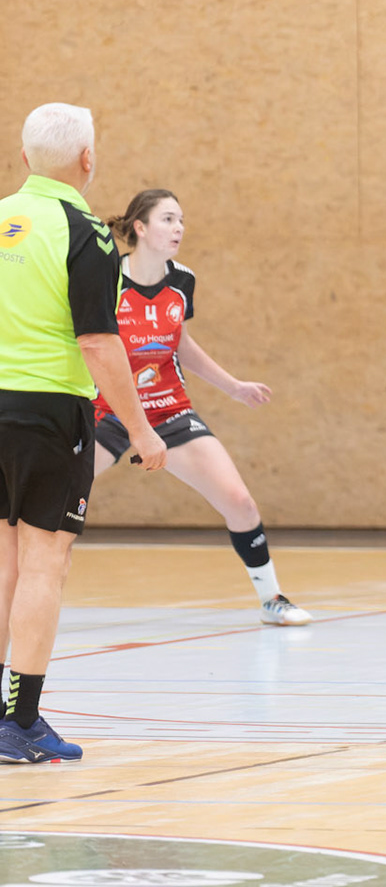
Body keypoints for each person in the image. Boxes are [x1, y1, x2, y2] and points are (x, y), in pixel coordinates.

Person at [0, 104, 165, 763]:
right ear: (87, 161)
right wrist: (142, 430)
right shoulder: (86, 232)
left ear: (23, 160)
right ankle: (21, 721)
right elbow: (98, 342)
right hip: (47, 412)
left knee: (5, 559)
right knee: (45, 560)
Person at [90, 190, 309, 627]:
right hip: (107, 412)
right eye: (168, 220)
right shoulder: (104, 277)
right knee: (47, 505)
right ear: (140, 228)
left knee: (241, 503)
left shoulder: (182, 280)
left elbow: (181, 344)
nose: (179, 229)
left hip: (170, 411)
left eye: (182, 221)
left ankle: (272, 599)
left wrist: (233, 387)